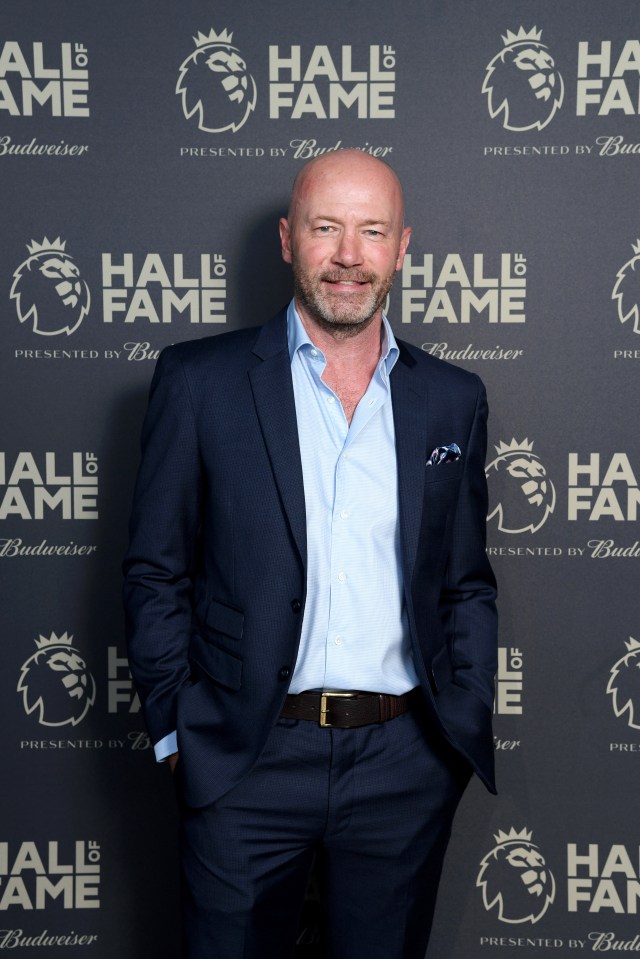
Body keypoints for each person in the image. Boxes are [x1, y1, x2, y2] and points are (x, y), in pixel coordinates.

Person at [123, 149, 498, 959]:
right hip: (245, 758)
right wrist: (176, 729)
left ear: (402, 247)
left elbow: (466, 583)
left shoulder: (453, 399)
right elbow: (155, 570)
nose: (349, 256)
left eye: (372, 232)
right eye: (328, 228)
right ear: (290, 239)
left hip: (404, 760)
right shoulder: (199, 381)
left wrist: (458, 720)